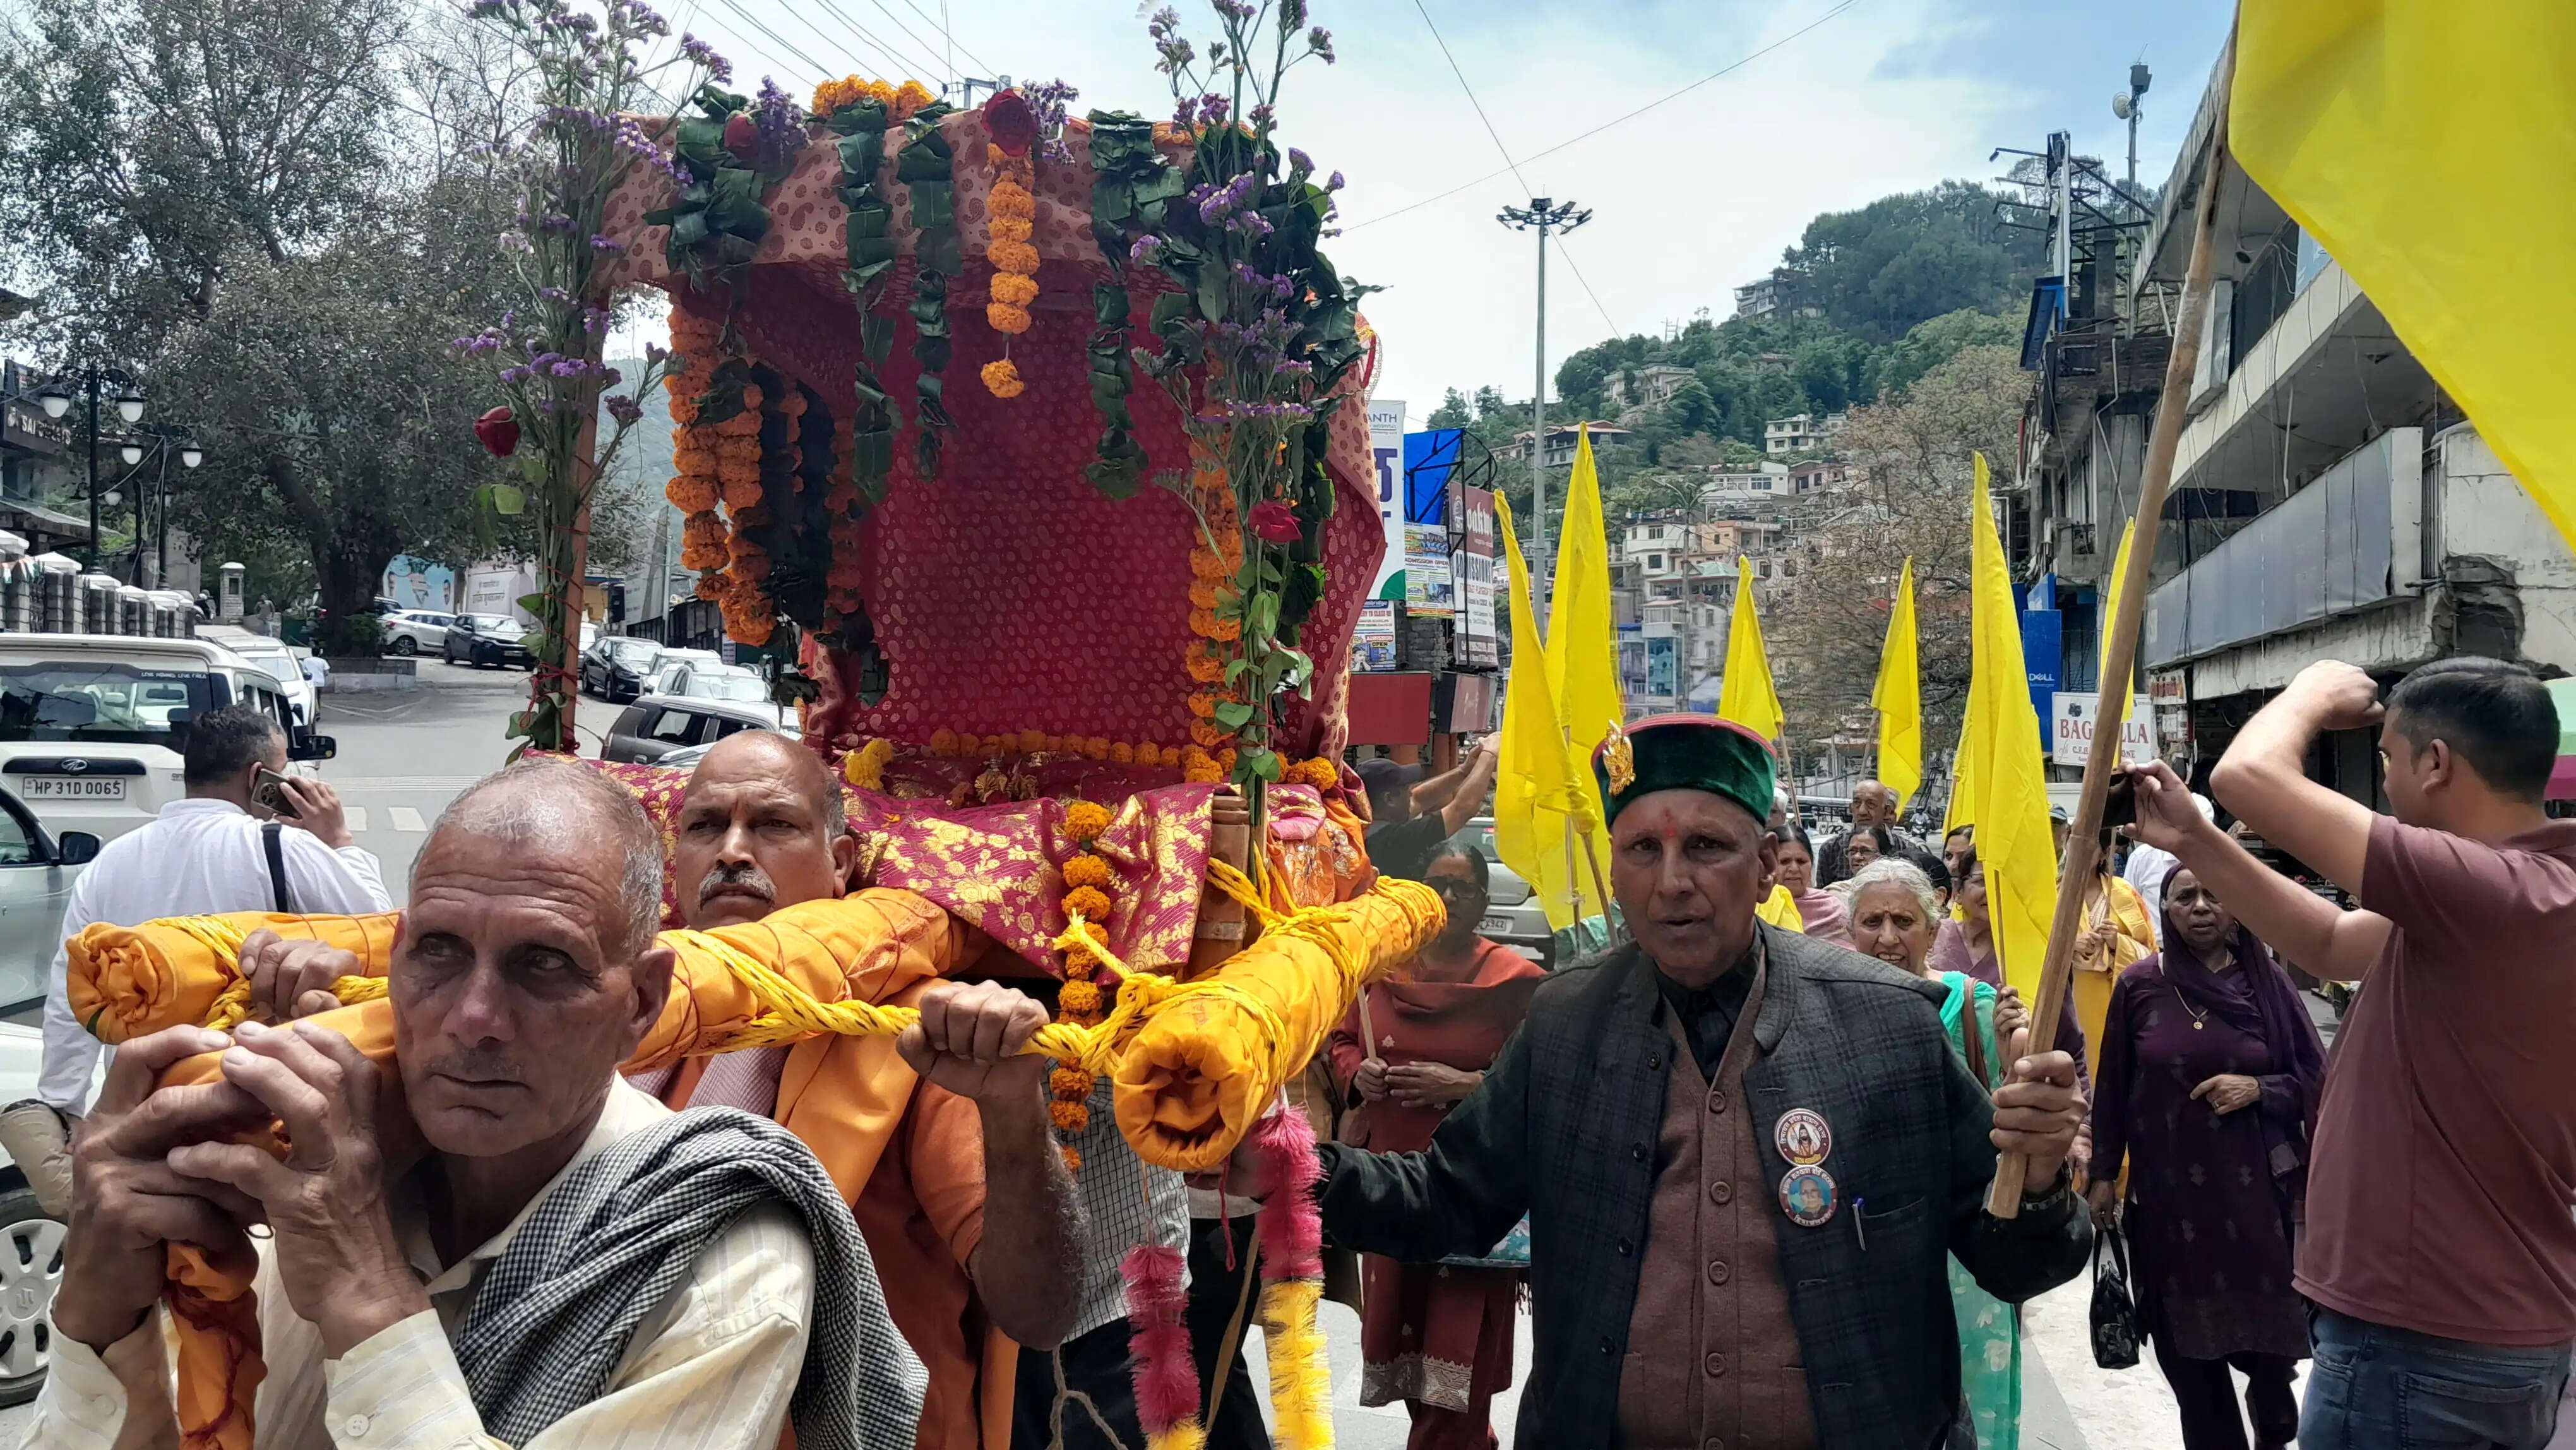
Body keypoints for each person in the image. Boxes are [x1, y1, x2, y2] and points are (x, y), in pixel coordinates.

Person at [1225, 714, 2091, 1448]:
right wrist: (1284, 1165)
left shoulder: (1891, 1026)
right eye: (1642, 848)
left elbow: (2018, 1264)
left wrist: (2043, 1175)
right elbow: (1447, 1202)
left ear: (1763, 868)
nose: (1672, 881)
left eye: (1707, 846)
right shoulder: (1564, 1026)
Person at [30, 758, 929, 1449]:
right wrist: (97, 1318)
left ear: (644, 1004)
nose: (475, 1020)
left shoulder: (728, 1271)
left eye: (546, 964)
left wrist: (365, 1290)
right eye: (441, 954)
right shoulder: (295, 1157)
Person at [2128, 657, 2576, 1449]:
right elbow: (2331, 943)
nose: (2383, 785)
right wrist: (2198, 838)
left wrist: (2312, 691)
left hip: (2421, 1338)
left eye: (2387, 761)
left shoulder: (2491, 888)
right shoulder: (2524, 894)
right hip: (2476, 1328)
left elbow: (2247, 775)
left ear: (2434, 763)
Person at [644, 731, 1083, 1449]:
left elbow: (1038, 1310)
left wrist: (1012, 1111)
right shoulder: (639, 1014)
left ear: (840, 863)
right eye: (705, 825)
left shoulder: (919, 1034)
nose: (731, 850)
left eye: (773, 824)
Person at [11, 706, 393, 1215]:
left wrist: (67, 1104)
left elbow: (71, 994)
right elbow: (379, 936)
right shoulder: (282, 847)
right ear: (261, 777)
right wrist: (339, 840)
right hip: (258, 1105)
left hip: (142, 1108)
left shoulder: (112, 861)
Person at [2088, 866, 2324, 1450]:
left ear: (2236, 907)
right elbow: (2113, 1086)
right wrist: (2100, 1176)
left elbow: (2318, 1081)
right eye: (2184, 896)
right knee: (2187, 1356)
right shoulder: (2140, 985)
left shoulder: (2268, 985)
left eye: (2213, 894)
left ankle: (2274, 1427)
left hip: (2257, 1206)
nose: (2200, 906)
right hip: (2170, 1206)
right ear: (2164, 909)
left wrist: (2259, 1090)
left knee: (2271, 1359)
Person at [1325, 842, 1544, 1450]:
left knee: (1461, 1363)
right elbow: (1342, 1041)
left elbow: (1544, 1076)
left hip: (1474, 1195)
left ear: (1483, 900)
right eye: (1437, 885)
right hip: (1390, 1188)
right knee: (1415, 1356)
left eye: (1463, 888)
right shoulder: (1381, 970)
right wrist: (1356, 1073)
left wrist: (1467, 1086)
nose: (1449, 899)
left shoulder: (1516, 983)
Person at [1846, 858, 2030, 1450]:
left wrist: (2013, 1056)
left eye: (1904, 920)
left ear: (1933, 927)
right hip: (1861, 1242)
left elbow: (2016, 1124)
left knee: (1970, 1401)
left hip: (1961, 1246)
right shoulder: (1827, 1009)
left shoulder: (1977, 1008)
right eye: (1872, 921)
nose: (1888, 938)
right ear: (1850, 931)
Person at [1931, 844, 2090, 1099]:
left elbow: (2070, 1046)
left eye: (2005, 881)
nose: (1994, 891)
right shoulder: (1931, 939)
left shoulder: (2037, 955)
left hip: (2012, 1098)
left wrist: (2083, 1127)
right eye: (1982, 881)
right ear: (1958, 892)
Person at [2068, 826, 2157, 1076]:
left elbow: (2150, 953)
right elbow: (2037, 947)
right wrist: (2069, 947)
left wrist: (2119, 943)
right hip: (2072, 997)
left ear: (2103, 853)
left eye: (2088, 847)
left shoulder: (2125, 894)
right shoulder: (2055, 893)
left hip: (2115, 995)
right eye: (2073, 844)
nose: (2078, 853)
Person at [1357, 738, 1500, 882]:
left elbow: (1419, 799)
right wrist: (1489, 755)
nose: (1411, 794)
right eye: (1406, 790)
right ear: (1389, 799)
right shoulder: (1394, 842)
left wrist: (1464, 771)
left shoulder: (1358, 830)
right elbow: (1462, 809)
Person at [2123, 789, 2217, 950]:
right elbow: (2128, 908)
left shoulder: (2222, 860)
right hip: (2155, 951)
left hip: (2209, 952)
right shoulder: (2143, 858)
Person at [1816, 778, 1941, 885]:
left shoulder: (1906, 850)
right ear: (1851, 809)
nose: (1862, 811)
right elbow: (1823, 901)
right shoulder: (1831, 849)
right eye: (1857, 803)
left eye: (1871, 805)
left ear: (1886, 811)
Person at [1774, 823, 1850, 945]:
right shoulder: (1756, 906)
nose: (1794, 868)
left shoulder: (1832, 908)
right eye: (1784, 861)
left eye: (1801, 861)